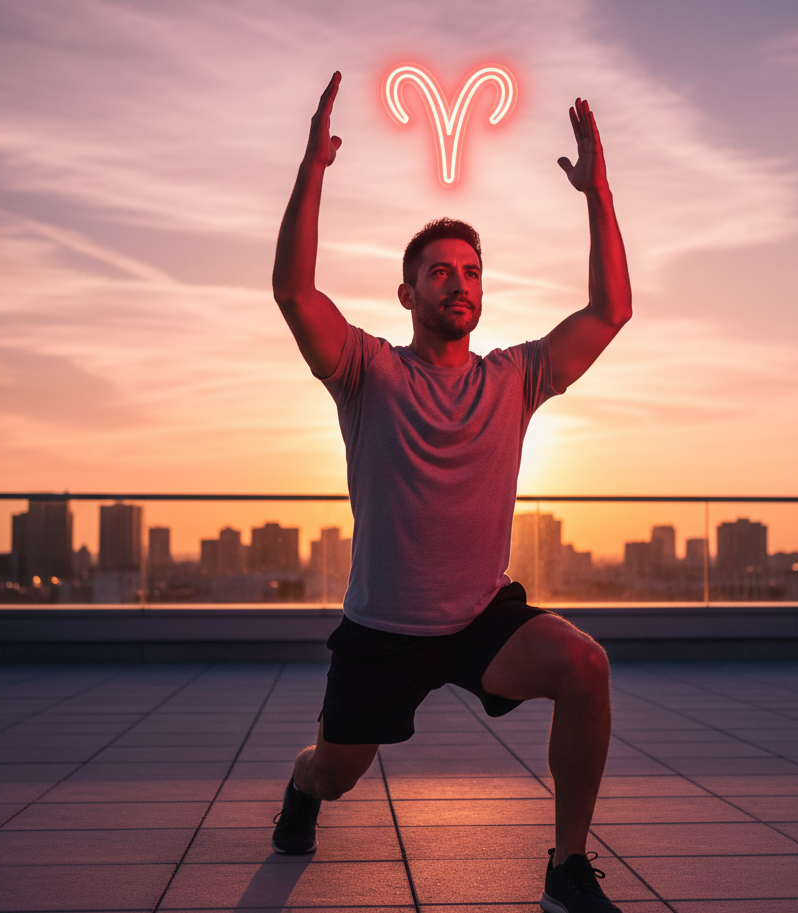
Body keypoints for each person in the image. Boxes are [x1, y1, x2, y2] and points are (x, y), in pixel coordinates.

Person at [270, 70, 632, 913]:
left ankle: (566, 868)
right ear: (407, 292)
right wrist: (312, 169)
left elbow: (609, 311)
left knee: (584, 664)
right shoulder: (366, 370)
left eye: (470, 270)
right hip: (381, 632)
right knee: (334, 772)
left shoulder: (515, 376)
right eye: (438, 272)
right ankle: (300, 783)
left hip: (480, 618)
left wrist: (597, 190)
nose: (458, 282)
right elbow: (293, 292)